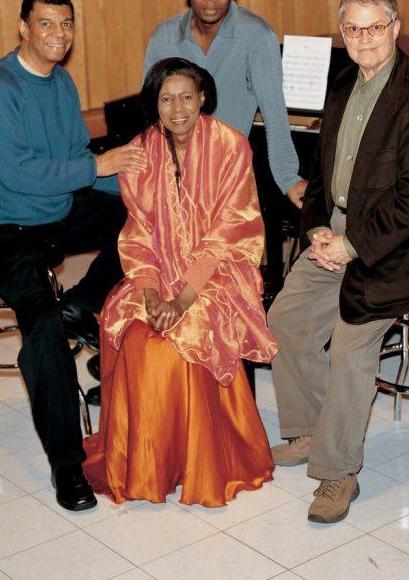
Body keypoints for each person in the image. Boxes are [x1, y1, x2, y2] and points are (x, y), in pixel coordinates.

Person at [268, 0, 409, 523]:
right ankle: (311, 431)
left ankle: (338, 471)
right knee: (287, 320)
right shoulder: (344, 82)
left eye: (375, 27)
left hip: (399, 247)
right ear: (342, 32)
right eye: (353, 28)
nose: (364, 38)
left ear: (395, 28)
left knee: (350, 347)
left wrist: (351, 245)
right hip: (339, 235)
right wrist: (319, 231)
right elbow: (324, 173)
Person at [0, 0, 146, 512]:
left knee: (141, 220)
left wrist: (145, 185)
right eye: (46, 24)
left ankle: (83, 302)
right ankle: (68, 468)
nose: (59, 35)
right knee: (40, 328)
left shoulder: (61, 82)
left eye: (66, 24)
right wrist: (99, 167)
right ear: (23, 27)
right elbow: (20, 175)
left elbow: (73, 159)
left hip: (53, 211)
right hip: (4, 225)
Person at [83, 58, 278, 506]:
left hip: (220, 270)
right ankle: (150, 463)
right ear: (154, 104)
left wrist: (184, 299)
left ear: (203, 98)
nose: (176, 109)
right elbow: (138, 235)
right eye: (166, 99)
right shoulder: (142, 151)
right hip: (157, 271)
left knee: (186, 337)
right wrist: (152, 293)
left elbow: (230, 232)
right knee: (133, 332)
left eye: (186, 97)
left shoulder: (231, 146)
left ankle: (203, 461)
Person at [142, 0, 307, 208]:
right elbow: (151, 114)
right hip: (172, 171)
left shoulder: (257, 36)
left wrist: (288, 178)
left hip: (229, 172)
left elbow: (274, 112)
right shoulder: (163, 38)